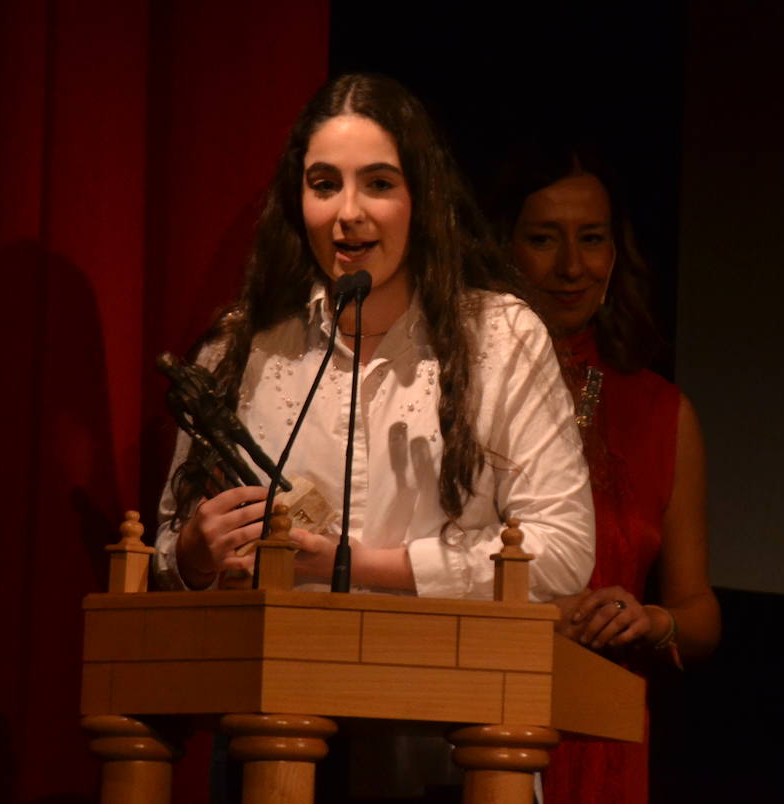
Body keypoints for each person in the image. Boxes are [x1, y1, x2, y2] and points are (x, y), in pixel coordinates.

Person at [154, 74, 595, 609]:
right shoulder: (241, 346)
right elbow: (167, 554)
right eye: (324, 185)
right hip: (275, 674)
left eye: (379, 184)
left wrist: (358, 565)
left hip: (448, 674)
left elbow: (564, 551)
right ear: (298, 200)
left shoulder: (502, 337)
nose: (348, 213)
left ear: (422, 198)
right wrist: (195, 556)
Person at [493, 142, 721, 804]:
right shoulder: (461, 389)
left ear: (615, 254)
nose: (571, 267)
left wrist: (649, 623)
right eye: (543, 239)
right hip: (482, 716)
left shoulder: (661, 411)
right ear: (504, 248)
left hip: (606, 731)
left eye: (591, 240)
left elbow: (699, 612)